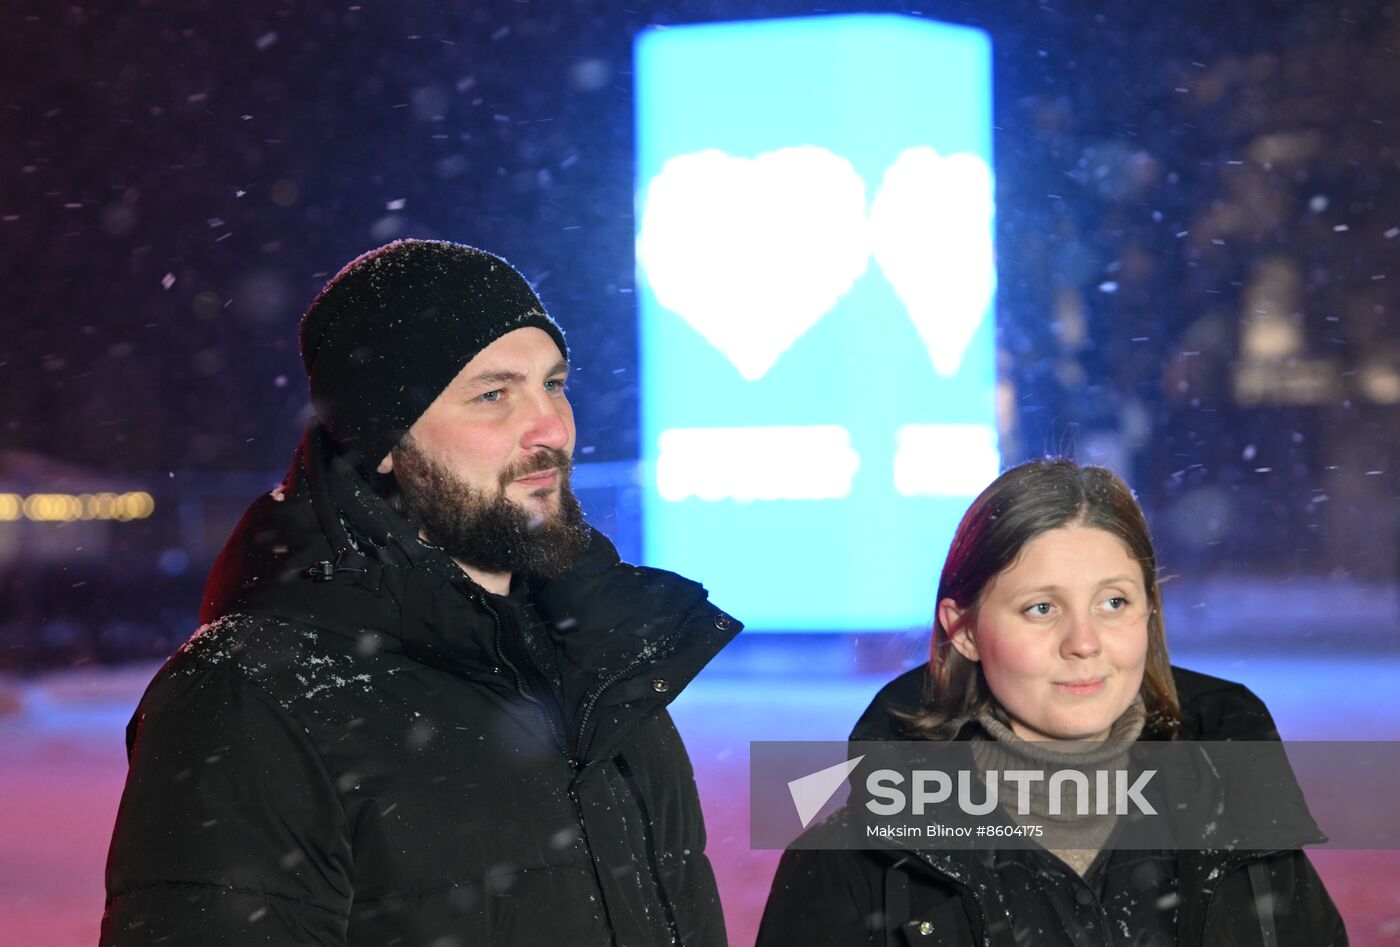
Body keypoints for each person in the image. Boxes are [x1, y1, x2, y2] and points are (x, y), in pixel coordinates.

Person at [101, 239, 741, 946]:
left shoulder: (595, 656)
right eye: (494, 394)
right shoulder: (251, 695)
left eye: (553, 383)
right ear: (383, 440)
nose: (552, 428)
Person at [757, 458, 1346, 947]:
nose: (1084, 643)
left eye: (1113, 603)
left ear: (1149, 611)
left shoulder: (1239, 817)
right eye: (1042, 608)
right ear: (964, 630)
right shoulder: (858, 860)